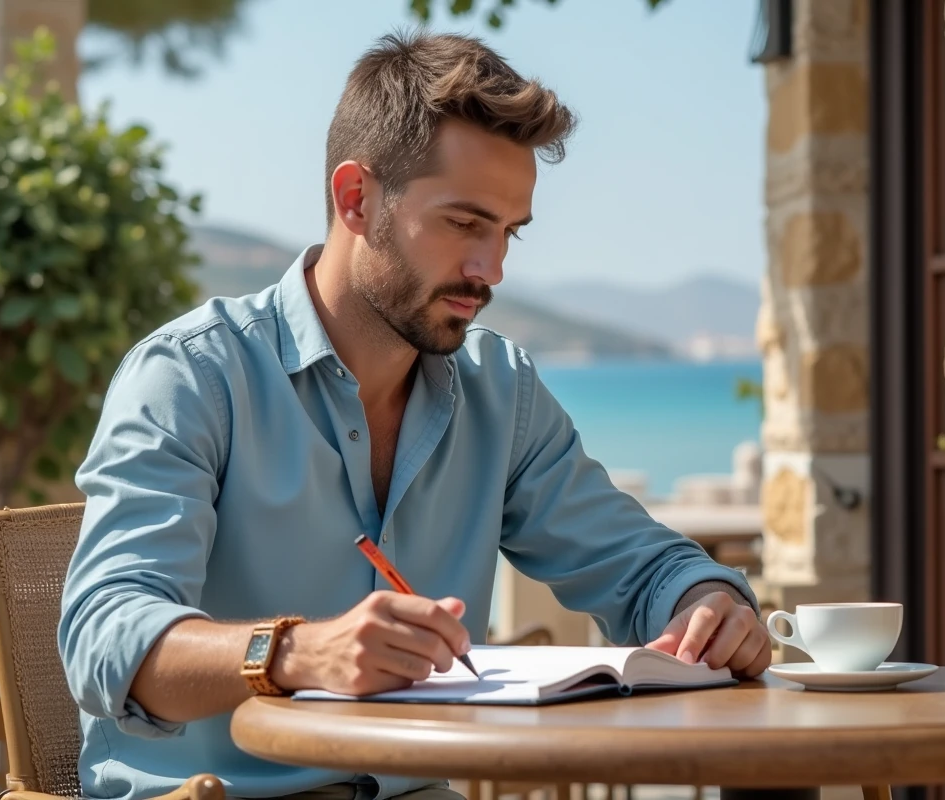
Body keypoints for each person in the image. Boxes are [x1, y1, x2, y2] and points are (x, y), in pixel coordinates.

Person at [58, 30, 775, 800]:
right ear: (356, 200)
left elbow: (642, 567)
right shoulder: (191, 376)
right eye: (465, 223)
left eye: (508, 232)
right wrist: (296, 654)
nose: (491, 269)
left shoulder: (501, 391)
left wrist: (708, 603)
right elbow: (106, 637)